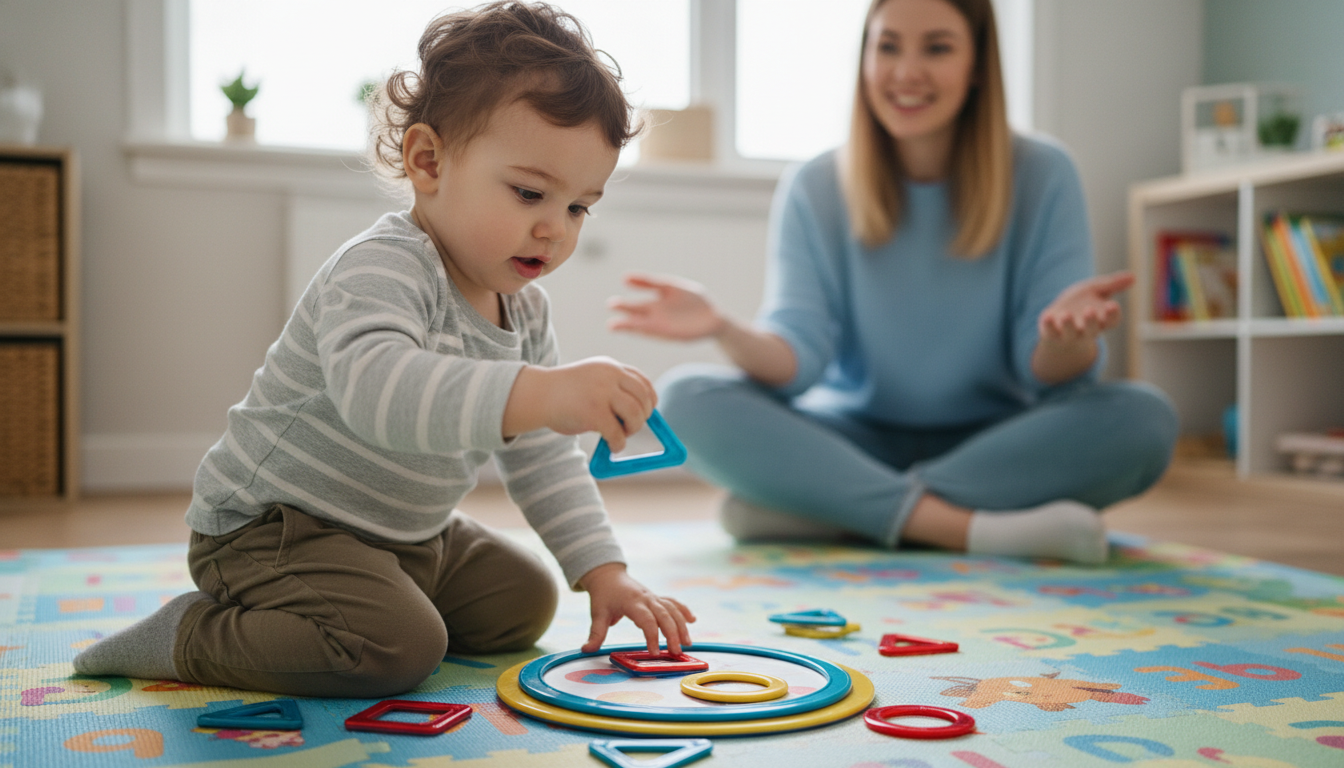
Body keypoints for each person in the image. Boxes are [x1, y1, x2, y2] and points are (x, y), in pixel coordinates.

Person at [73, 1, 694, 698]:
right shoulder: (382, 266)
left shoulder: (525, 309)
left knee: (525, 601)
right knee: (397, 649)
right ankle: (191, 634)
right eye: (528, 193)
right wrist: (544, 393)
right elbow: (381, 394)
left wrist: (604, 571)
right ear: (428, 161)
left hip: (403, 533)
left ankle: (379, 592)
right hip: (275, 527)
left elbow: (541, 454)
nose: (554, 229)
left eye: (579, 207)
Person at [609, 0, 1177, 564]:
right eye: (888, 47)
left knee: (1144, 419)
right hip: (854, 438)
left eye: (937, 47)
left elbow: (1051, 373)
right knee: (686, 400)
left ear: (978, 63)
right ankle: (964, 527)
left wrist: (1068, 337)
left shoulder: (1044, 173)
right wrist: (722, 328)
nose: (906, 72)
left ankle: (827, 511)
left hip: (997, 440)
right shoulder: (816, 186)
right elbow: (797, 361)